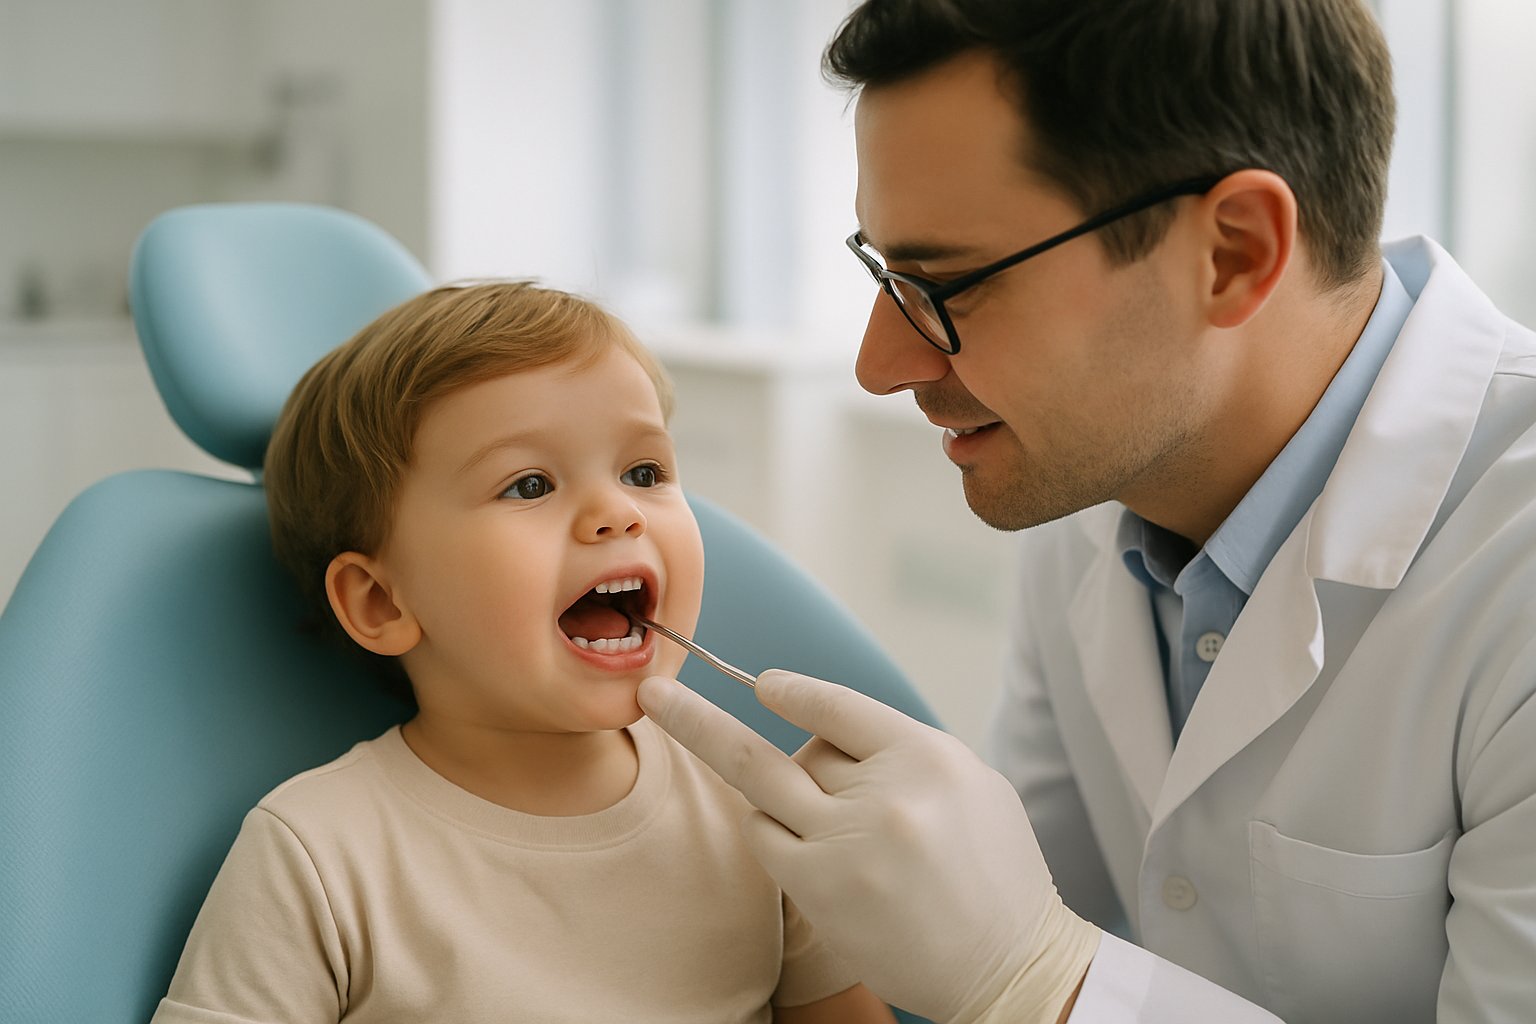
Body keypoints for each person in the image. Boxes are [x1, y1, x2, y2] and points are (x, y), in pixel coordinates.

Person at [636, 1, 1536, 1022]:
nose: (879, 363)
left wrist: (1039, 975)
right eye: (885, 272)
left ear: (1235, 252)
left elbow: (1027, 955)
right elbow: (1025, 908)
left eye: (949, 285)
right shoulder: (1100, 490)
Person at [150, 281, 894, 1024]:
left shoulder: (755, 813)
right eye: (529, 484)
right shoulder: (313, 860)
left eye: (645, 472)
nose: (617, 513)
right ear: (381, 602)